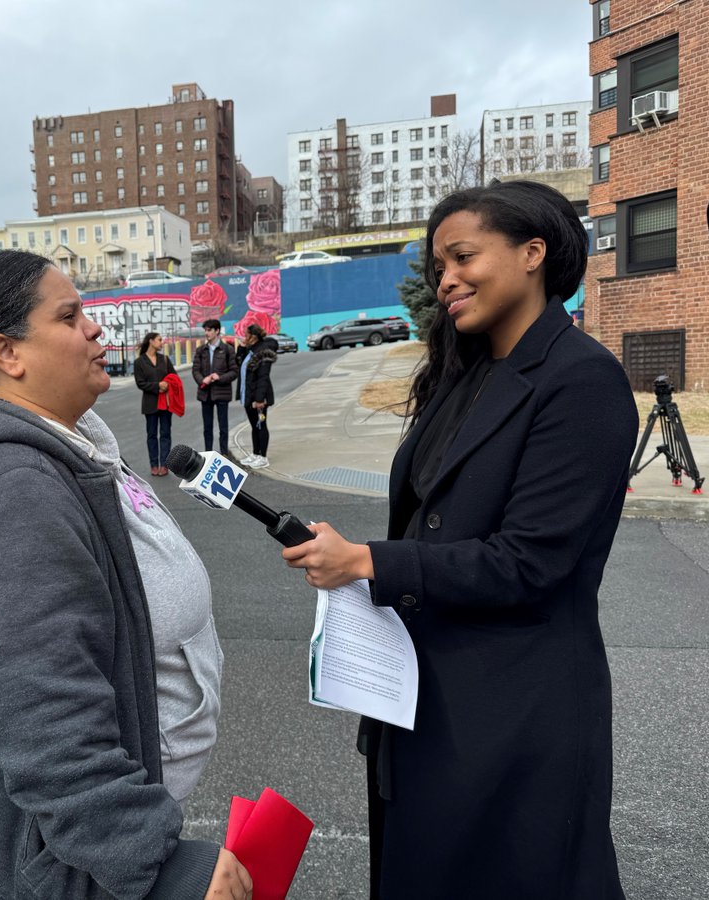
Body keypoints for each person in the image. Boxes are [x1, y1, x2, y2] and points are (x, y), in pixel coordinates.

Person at [281, 180, 638, 899]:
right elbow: (429, 520)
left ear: (533, 252)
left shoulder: (581, 380)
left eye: (463, 256)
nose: (446, 279)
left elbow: (530, 562)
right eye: (436, 266)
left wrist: (367, 563)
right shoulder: (465, 374)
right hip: (424, 698)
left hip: (515, 711)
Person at [0, 250, 250, 900]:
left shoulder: (68, 442)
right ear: (7, 353)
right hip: (62, 865)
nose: (96, 330)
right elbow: (42, 711)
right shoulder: (7, 488)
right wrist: (152, 859)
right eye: (70, 316)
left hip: (87, 845)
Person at [191, 319, 239, 458]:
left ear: (217, 331)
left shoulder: (228, 350)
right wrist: (202, 380)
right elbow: (195, 370)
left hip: (222, 393)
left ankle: (224, 453)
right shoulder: (201, 350)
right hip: (205, 394)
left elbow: (234, 371)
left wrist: (220, 377)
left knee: (223, 427)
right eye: (205, 330)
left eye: (209, 330)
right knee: (207, 428)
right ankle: (208, 454)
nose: (207, 333)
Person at [235, 324, 277, 469]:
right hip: (248, 395)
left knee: (261, 425)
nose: (243, 336)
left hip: (259, 397)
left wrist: (259, 399)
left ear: (252, 336)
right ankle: (255, 453)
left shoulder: (263, 352)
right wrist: (241, 348)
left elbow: (263, 377)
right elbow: (238, 363)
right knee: (254, 425)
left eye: (246, 334)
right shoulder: (250, 350)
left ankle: (263, 457)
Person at [133, 331, 175, 476]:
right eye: (159, 340)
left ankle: (164, 464)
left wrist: (167, 384)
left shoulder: (164, 359)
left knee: (165, 434)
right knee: (152, 435)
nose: (162, 342)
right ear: (151, 341)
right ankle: (153, 464)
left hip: (166, 403)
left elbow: (173, 377)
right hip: (150, 404)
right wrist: (158, 386)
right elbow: (140, 383)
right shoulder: (139, 362)